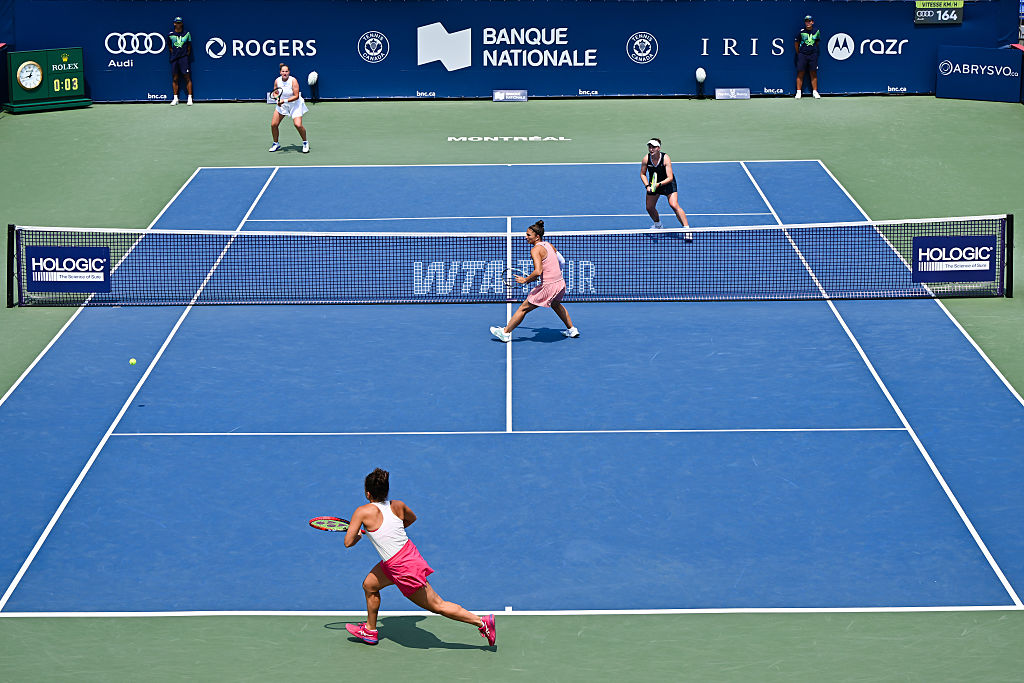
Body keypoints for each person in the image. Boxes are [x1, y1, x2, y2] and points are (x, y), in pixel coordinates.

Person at [343, 468, 497, 647]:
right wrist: (390, 532)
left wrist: (359, 536)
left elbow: (348, 542)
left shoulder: (362, 512)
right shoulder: (398, 505)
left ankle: (481, 622)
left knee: (438, 605)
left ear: (367, 493)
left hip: (403, 568)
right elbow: (411, 519)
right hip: (402, 557)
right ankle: (370, 630)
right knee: (370, 585)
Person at [490, 220, 579, 342]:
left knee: (524, 308)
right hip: (560, 283)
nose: (526, 237)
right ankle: (572, 329)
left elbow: (537, 271)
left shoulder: (535, 250)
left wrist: (525, 280)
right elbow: (562, 261)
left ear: (537, 237)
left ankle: (505, 333)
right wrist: (553, 274)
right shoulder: (548, 245)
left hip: (548, 287)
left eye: (528, 235)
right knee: (556, 304)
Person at [641, 139, 692, 241]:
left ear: (659, 148)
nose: (651, 149)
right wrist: (647, 186)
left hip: (667, 183)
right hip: (654, 184)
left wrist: (658, 185)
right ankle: (658, 225)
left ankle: (687, 230)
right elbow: (642, 174)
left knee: (674, 205)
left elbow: (670, 177)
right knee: (649, 207)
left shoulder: (665, 158)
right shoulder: (646, 159)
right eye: (650, 147)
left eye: (654, 147)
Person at [269, 63, 309, 153]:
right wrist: (277, 99)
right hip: (283, 104)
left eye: (286, 71)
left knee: (298, 125)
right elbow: (275, 92)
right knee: (274, 125)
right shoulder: (277, 80)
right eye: (283, 71)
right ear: (280, 72)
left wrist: (284, 101)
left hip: (295, 105)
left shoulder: (293, 81)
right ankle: (276, 144)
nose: (285, 73)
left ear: (289, 72)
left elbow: (296, 96)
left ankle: (305, 142)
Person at [794, 15, 821, 99]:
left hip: (813, 54)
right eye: (806, 21)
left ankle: (815, 92)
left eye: (809, 21)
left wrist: (813, 50)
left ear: (812, 22)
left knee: (813, 73)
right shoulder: (801, 32)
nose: (808, 23)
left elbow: (817, 42)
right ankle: (798, 92)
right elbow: (796, 43)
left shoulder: (816, 31)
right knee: (800, 72)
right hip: (802, 55)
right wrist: (799, 53)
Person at [168, 17, 192, 106]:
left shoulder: (187, 34)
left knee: (187, 78)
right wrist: (174, 53)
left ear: (182, 24)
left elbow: (189, 46)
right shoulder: (170, 34)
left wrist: (185, 55)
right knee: (175, 78)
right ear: (174, 24)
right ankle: (175, 99)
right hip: (174, 59)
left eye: (179, 23)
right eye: (177, 23)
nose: (178, 24)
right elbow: (169, 46)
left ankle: (189, 98)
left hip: (184, 59)